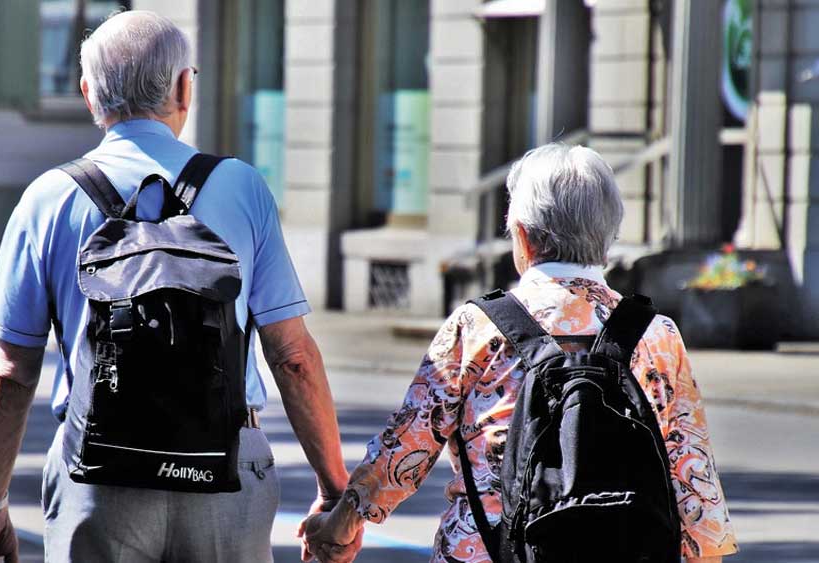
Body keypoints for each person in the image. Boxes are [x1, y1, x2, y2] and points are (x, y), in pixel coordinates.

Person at [0, 11, 359, 562]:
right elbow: (292, 356)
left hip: (99, 472)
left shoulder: (47, 198)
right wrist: (335, 488)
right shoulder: (242, 187)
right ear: (183, 87)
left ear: (87, 93)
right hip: (225, 470)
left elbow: (11, 372)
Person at [303, 144, 739, 563]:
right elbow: (694, 478)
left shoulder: (477, 327)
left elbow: (407, 447)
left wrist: (341, 524)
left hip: (485, 549)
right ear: (607, 240)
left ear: (524, 238)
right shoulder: (657, 335)